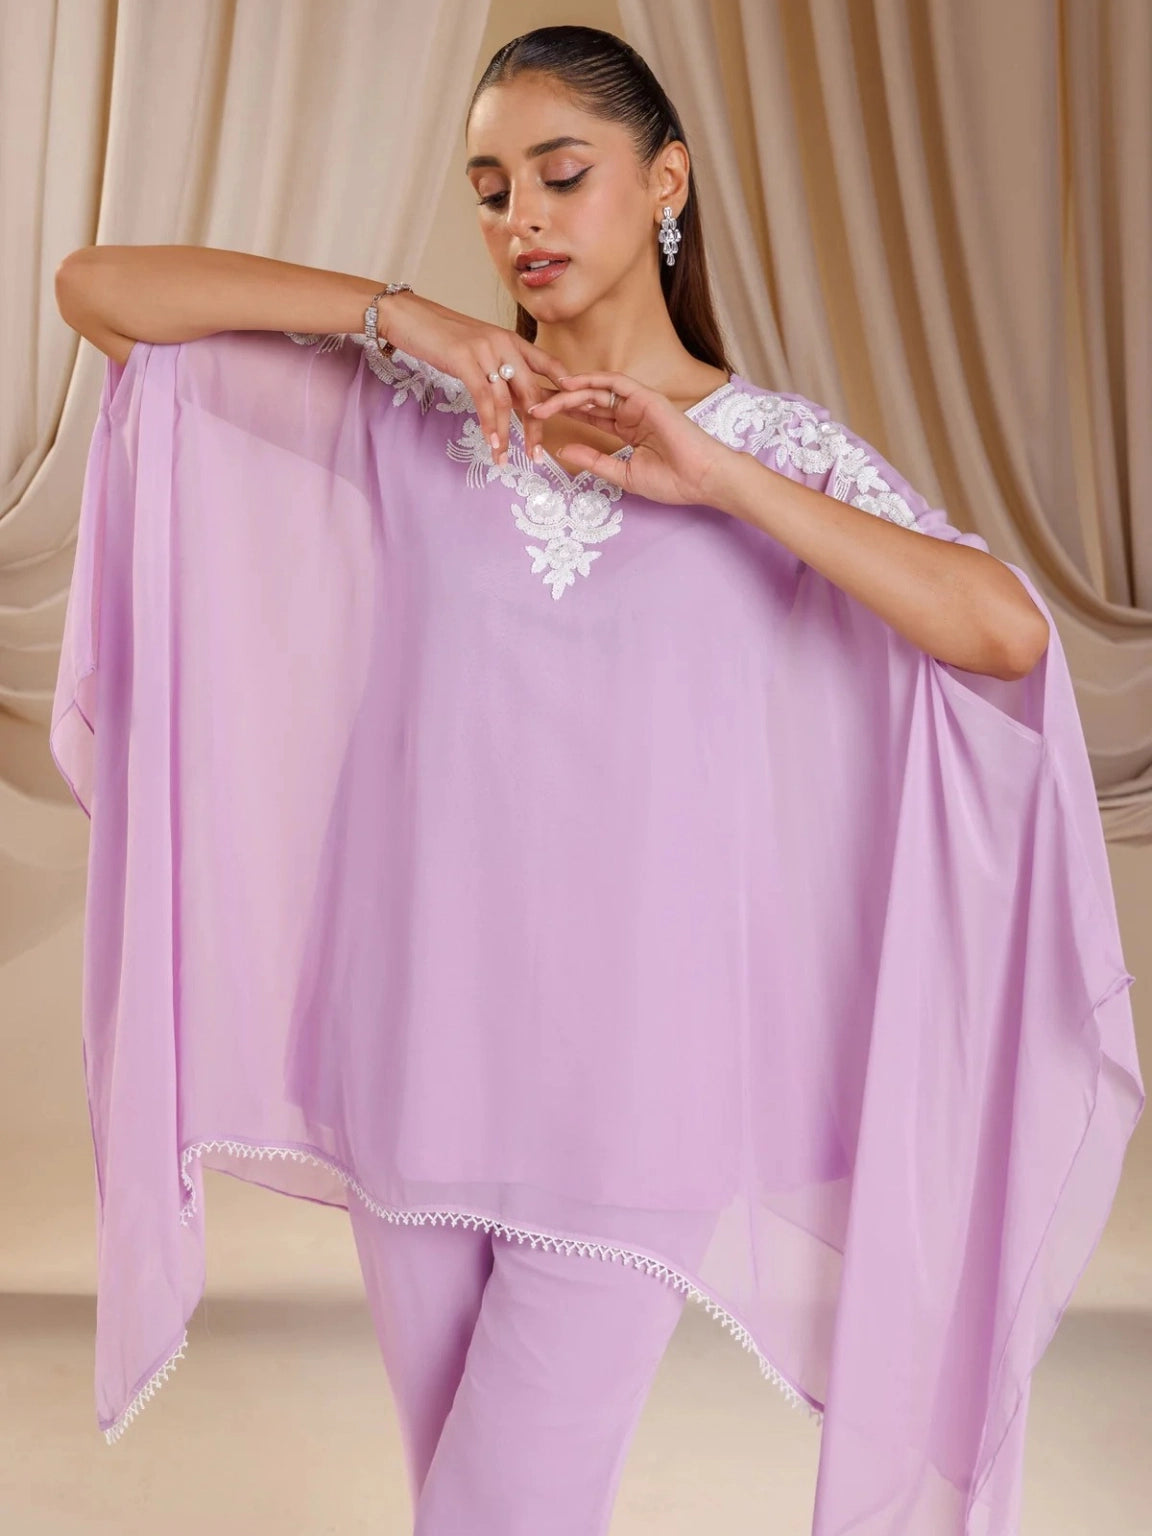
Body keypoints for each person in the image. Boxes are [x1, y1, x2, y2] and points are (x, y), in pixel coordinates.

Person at [51, 23, 1143, 1536]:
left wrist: (720, 479)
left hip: (638, 1080)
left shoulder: (768, 453)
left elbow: (1003, 630)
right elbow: (97, 291)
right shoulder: (423, 415)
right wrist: (411, 321)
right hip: (411, 1041)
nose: (523, 220)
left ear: (667, 182)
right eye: (492, 188)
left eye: (563, 176)